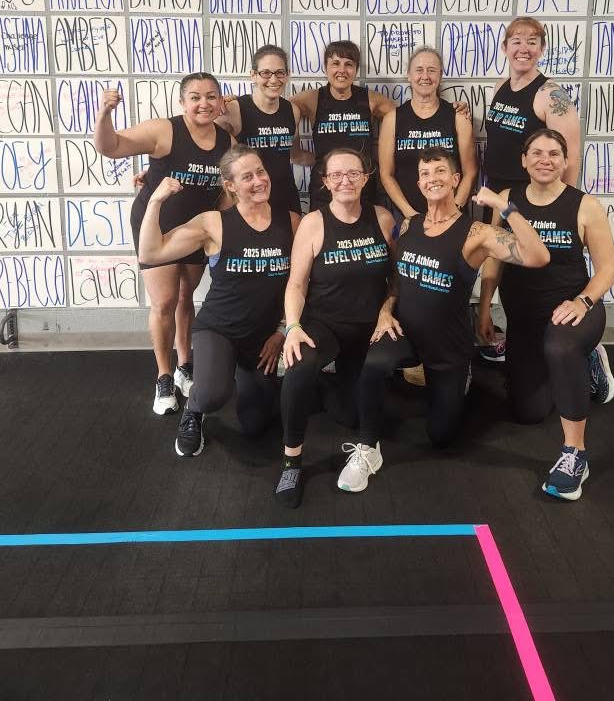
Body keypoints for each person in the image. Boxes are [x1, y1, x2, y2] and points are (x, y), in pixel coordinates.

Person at [336, 146, 550, 494]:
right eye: (425, 174)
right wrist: (386, 310)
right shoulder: (409, 225)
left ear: (455, 180)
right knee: (373, 362)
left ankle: (461, 379)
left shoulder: (476, 232)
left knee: (441, 436)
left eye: (439, 172)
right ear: (418, 184)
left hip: (448, 345)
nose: (431, 179)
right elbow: (396, 277)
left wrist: (505, 207)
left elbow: (539, 256)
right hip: (406, 331)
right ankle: (368, 448)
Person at [477, 129, 614, 501]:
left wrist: (583, 302)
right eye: (536, 153)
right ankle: (576, 368)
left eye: (554, 153)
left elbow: (607, 269)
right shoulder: (507, 199)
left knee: (560, 348)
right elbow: (494, 256)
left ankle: (575, 454)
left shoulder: (585, 205)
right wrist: (485, 307)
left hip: (572, 312)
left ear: (566, 161)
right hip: (524, 320)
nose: (545, 160)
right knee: (529, 412)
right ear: (523, 160)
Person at [137, 146, 301, 456]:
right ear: (230, 186)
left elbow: (300, 282)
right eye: (247, 177)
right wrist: (155, 201)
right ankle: (193, 411)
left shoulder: (291, 222)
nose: (258, 181)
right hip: (219, 329)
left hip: (262, 337)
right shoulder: (214, 223)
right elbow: (150, 253)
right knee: (212, 394)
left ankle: (237, 371)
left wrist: (283, 330)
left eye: (261, 172)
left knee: (255, 424)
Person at [94, 72, 233, 415]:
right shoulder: (164, 130)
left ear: (221, 102)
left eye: (211, 96)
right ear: (182, 102)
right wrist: (105, 113)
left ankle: (185, 365)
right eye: (195, 97)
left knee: (186, 296)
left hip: (196, 229)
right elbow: (110, 147)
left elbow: (227, 191)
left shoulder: (227, 141)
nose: (204, 103)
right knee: (164, 301)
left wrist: (226, 228)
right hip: (156, 224)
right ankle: (164, 376)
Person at [275, 147, 395, 508]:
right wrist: (293, 326)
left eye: (353, 173)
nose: (346, 180)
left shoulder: (382, 218)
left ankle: (325, 386)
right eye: (337, 175)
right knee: (299, 367)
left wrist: (387, 308)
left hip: (368, 329)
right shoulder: (314, 223)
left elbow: (397, 277)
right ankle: (291, 463)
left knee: (351, 416)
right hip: (324, 325)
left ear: (366, 178)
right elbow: (296, 284)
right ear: (325, 181)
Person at [479, 15, 582, 364]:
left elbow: (569, 157)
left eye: (532, 42)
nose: (523, 48)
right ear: (505, 47)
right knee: (503, 272)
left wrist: (561, 209)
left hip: (532, 201)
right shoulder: (499, 86)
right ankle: (515, 344)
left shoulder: (552, 95)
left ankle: (571, 350)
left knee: (537, 281)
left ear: (542, 49)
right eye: (517, 41)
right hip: (498, 195)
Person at [289, 40, 396, 210]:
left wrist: (382, 158)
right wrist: (298, 153)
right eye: (335, 63)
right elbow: (280, 111)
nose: (342, 70)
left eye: (349, 64)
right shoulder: (313, 99)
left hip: (362, 188)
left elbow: (404, 119)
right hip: (325, 189)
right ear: (326, 67)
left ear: (356, 70)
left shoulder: (370, 100)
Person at [378, 46, 477, 218]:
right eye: (419, 70)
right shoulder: (392, 119)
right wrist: (410, 214)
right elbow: (386, 174)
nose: (425, 76)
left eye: (431, 70)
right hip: (408, 216)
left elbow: (470, 172)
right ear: (409, 75)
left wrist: (454, 210)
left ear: (440, 75)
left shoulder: (458, 118)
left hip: (452, 216)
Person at [217, 45, 312, 216]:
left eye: (279, 73)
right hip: (250, 199)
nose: (273, 80)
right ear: (253, 75)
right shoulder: (233, 110)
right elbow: (207, 148)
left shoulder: (292, 110)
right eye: (266, 73)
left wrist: (334, 163)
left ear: (287, 75)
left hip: (286, 197)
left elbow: (295, 154)